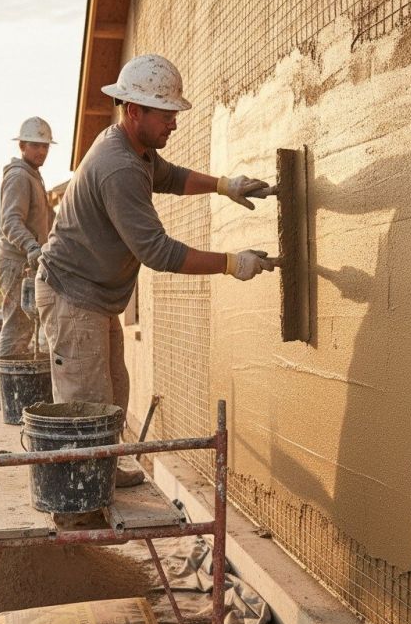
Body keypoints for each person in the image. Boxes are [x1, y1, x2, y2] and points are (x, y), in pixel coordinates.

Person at [36, 53, 274, 430]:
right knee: (87, 403)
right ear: (133, 110)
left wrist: (224, 185)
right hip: (72, 294)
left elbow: (171, 177)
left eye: (173, 115)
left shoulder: (135, 149)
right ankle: (84, 486)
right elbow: (158, 252)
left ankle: (105, 473)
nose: (173, 125)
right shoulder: (119, 167)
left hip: (90, 293)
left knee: (113, 392)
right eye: (166, 116)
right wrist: (232, 263)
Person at [0, 117, 54, 358]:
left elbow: (49, 221)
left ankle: (13, 394)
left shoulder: (34, 177)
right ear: (22, 146)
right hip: (17, 265)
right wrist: (31, 245)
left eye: (45, 146)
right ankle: (8, 396)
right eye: (35, 145)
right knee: (16, 332)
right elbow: (9, 221)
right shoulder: (19, 176)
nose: (41, 151)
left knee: (26, 332)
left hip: (29, 264)